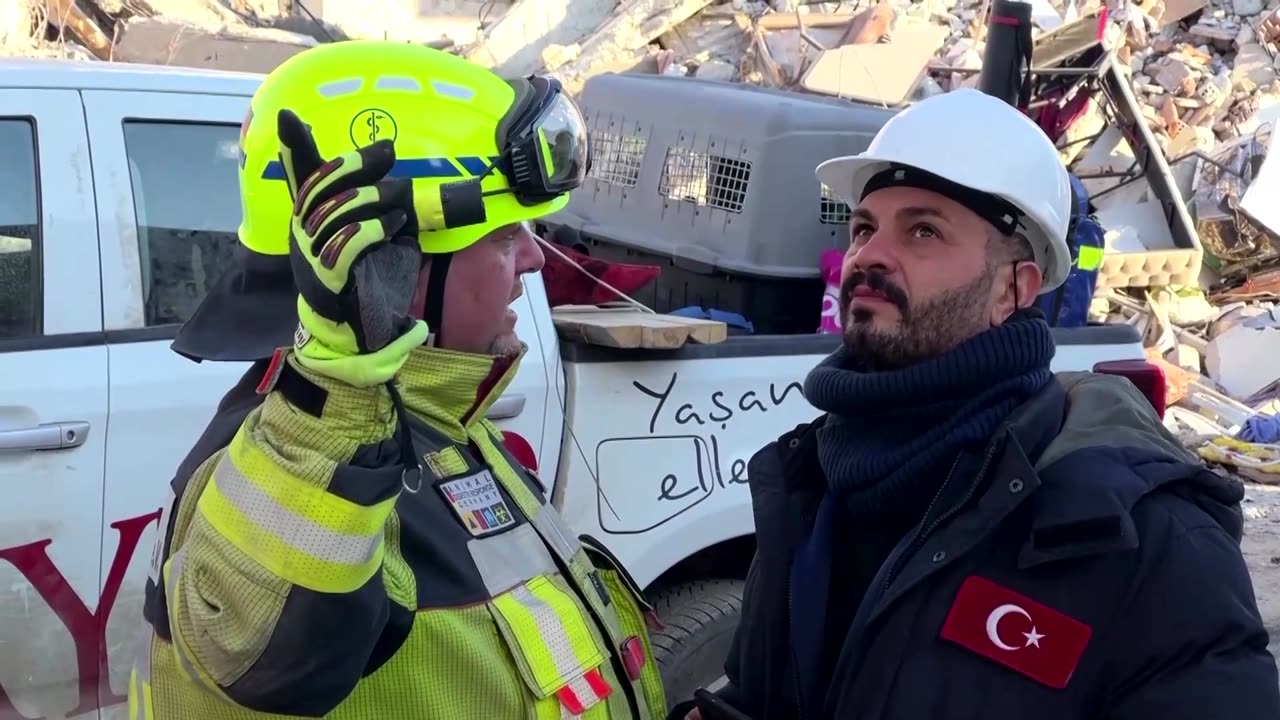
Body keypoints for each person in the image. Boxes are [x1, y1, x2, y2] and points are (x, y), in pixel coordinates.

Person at [677, 88, 1280, 720]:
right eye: (863, 228)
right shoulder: (809, 483)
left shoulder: (1142, 543)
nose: (870, 255)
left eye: (923, 231)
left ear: (1012, 290)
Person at [128, 40, 666, 720]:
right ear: (391, 271)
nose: (533, 256)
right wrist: (335, 411)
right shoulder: (309, 474)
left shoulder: (433, 425)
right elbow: (263, 656)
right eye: (504, 236)